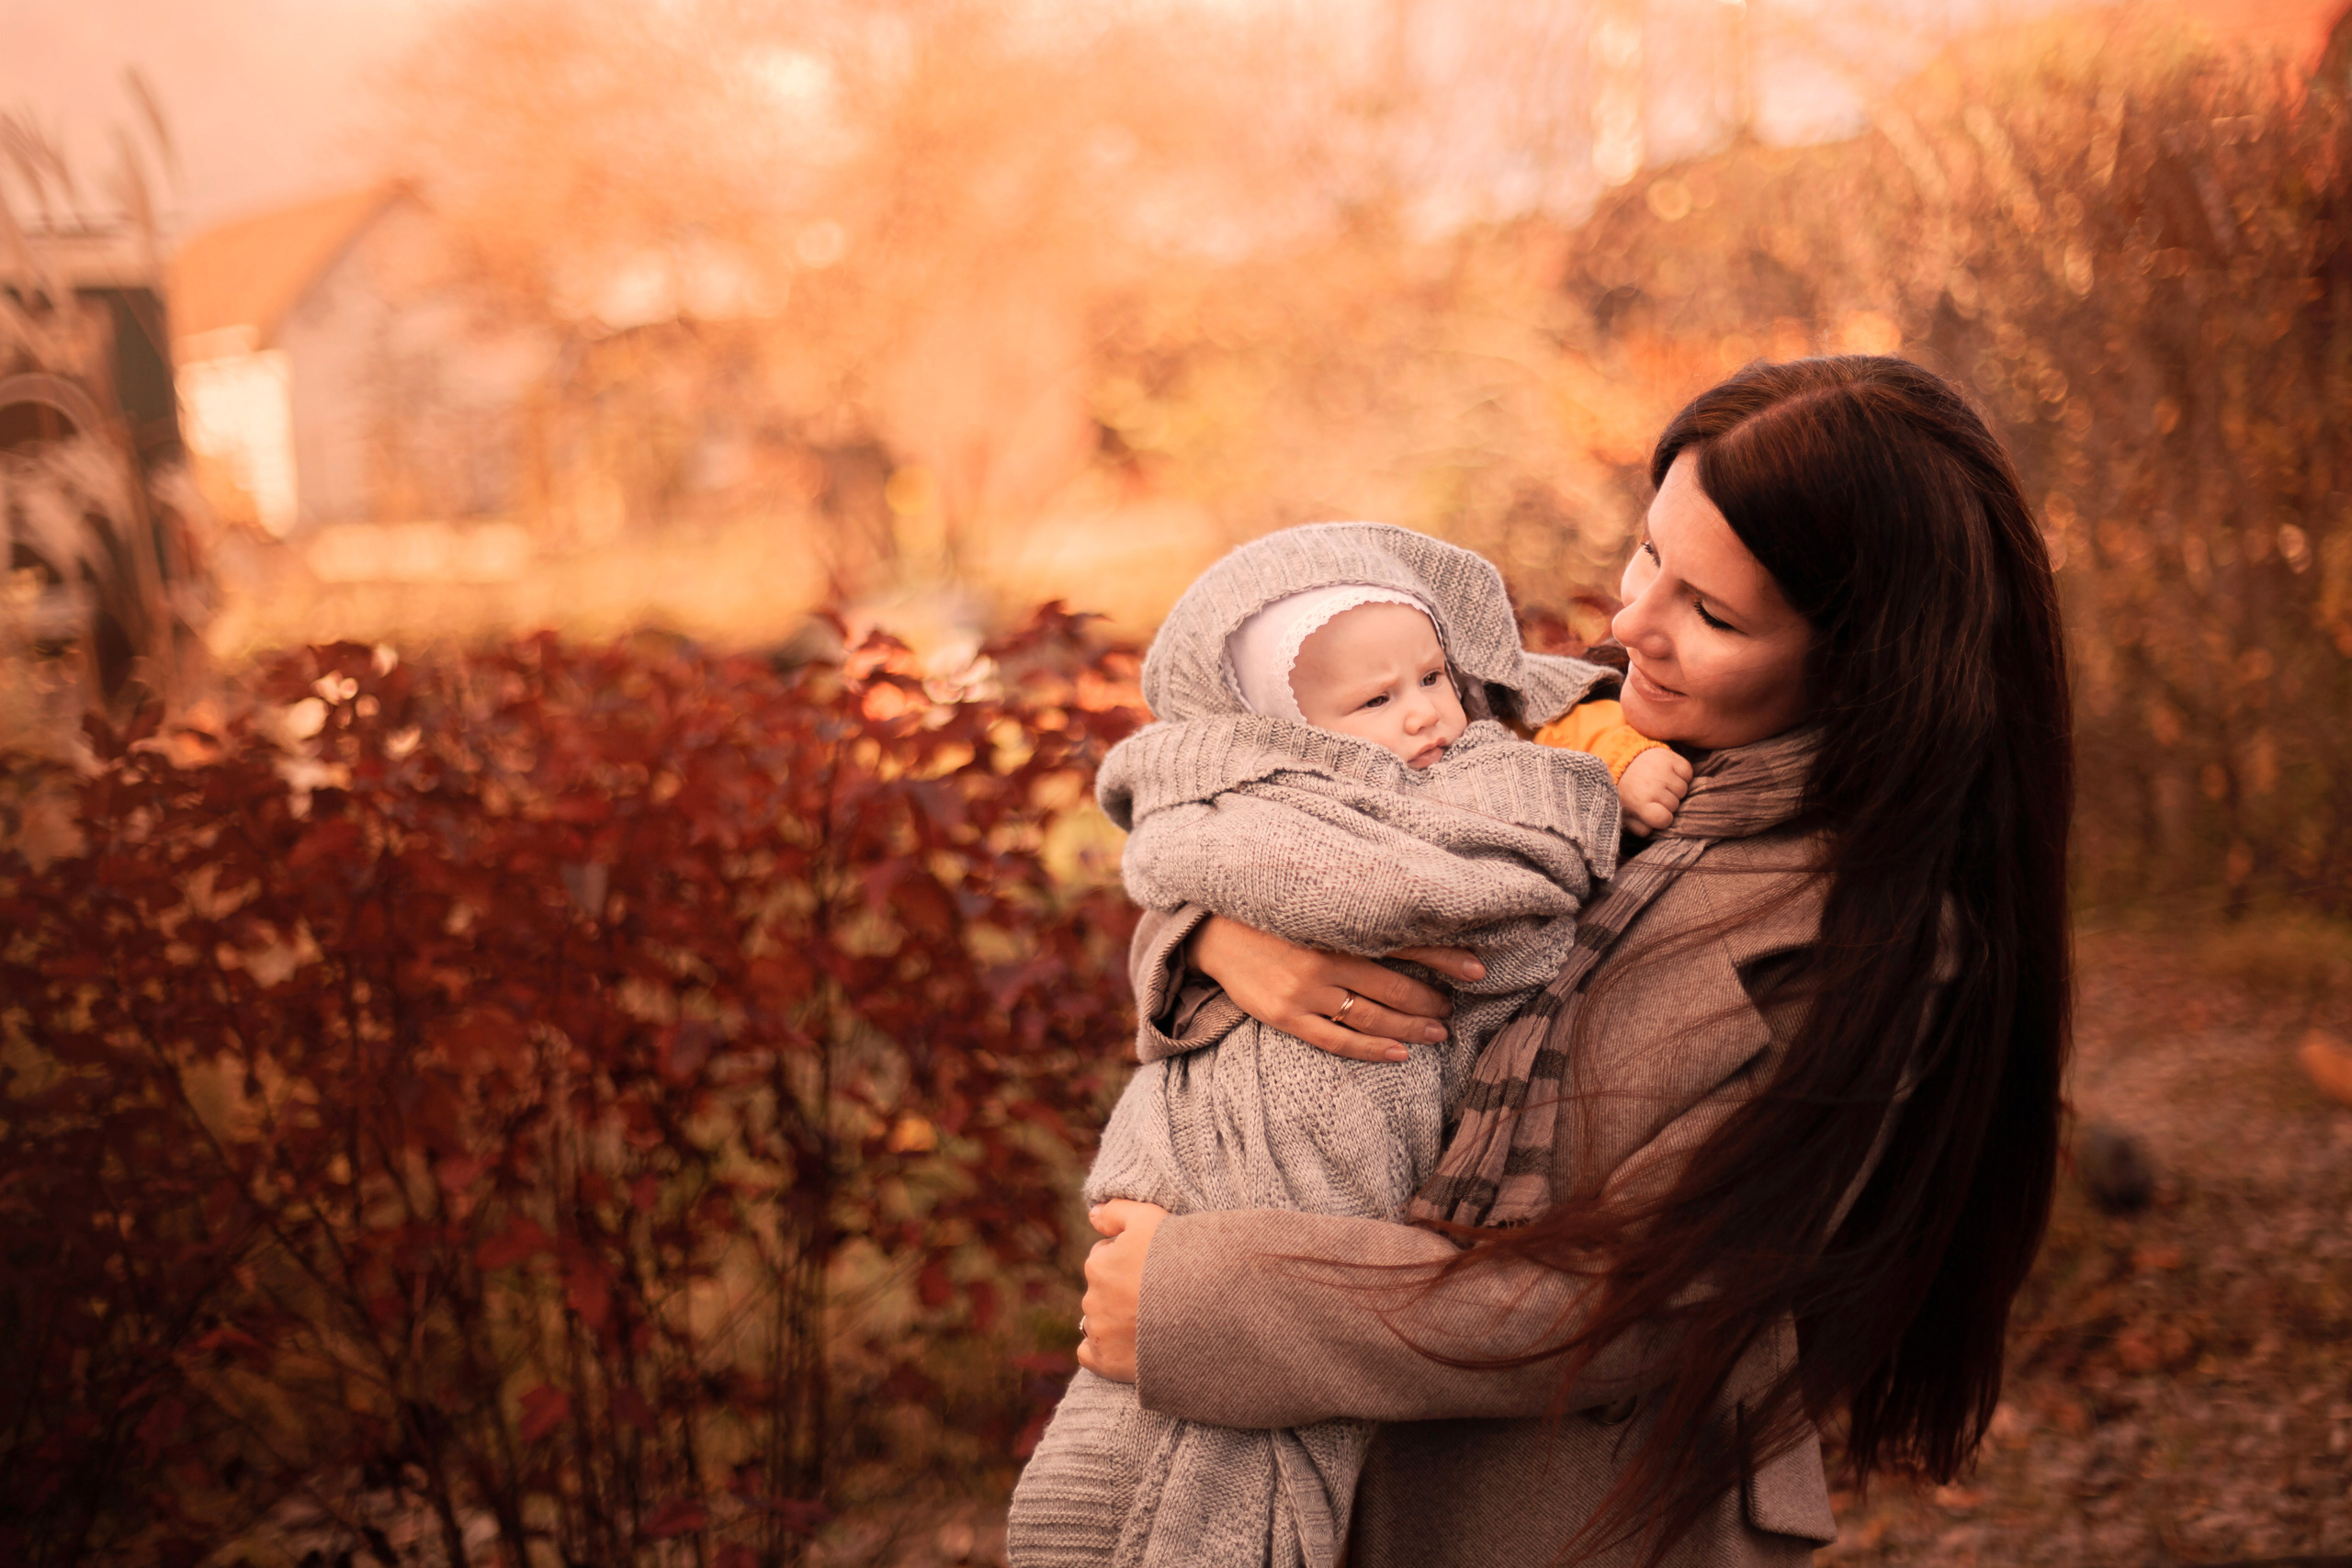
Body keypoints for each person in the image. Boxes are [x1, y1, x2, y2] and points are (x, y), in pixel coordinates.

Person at [1069, 355, 2074, 1566]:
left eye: (1712, 614)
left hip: (1574, 1516)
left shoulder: (1866, 941)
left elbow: (1627, 1303)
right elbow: (1271, 825)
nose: (1632, 622)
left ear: (1862, 661)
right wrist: (1221, 939)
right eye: (1649, 554)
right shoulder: (1556, 736)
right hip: (1357, 1467)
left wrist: (1197, 1301)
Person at [1009, 522, 1675, 1568]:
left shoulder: (1515, 759)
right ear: (1285, 733)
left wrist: (1615, 769)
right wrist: (1211, 934)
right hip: (1227, 1138)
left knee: (1223, 1415)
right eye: (1373, 701)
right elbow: (1209, 861)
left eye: (1433, 678)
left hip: (1373, 1249)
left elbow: (1540, 786)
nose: (1422, 713)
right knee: (1123, 1423)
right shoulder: (1257, 797)